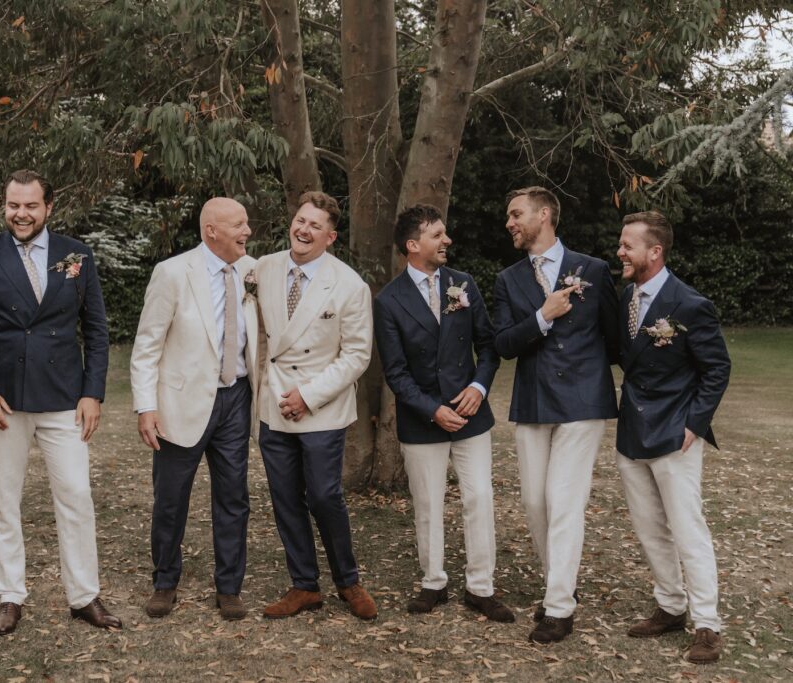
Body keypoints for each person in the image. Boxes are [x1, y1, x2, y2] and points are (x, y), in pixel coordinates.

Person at [0, 169, 120, 634]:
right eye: (13, 205)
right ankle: (10, 595)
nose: (21, 214)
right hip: (2, 400)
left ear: (49, 207)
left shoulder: (77, 254)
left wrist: (92, 392)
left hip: (63, 396)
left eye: (31, 205)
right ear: (4, 206)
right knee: (2, 500)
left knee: (76, 495)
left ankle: (84, 596)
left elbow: (96, 330)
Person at [492, 186, 619, 643]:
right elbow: (503, 344)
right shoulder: (508, 280)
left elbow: (614, 339)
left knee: (564, 500)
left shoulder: (594, 270)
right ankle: (559, 581)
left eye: (516, 214)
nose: (509, 223)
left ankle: (559, 607)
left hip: (583, 402)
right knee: (535, 502)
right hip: (533, 401)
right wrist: (542, 317)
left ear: (544, 215)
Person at [374, 204, 513, 622]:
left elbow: (488, 346)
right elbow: (395, 372)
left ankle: (481, 587)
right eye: (437, 234)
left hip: (471, 415)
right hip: (422, 419)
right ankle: (433, 581)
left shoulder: (463, 283)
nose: (446, 240)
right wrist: (432, 410)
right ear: (413, 245)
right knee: (428, 502)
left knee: (480, 497)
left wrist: (478, 387)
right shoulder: (388, 300)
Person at [130, 197, 258, 621]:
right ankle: (165, 582)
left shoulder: (253, 271)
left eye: (246, 223)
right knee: (171, 499)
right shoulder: (172, 273)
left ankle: (229, 587)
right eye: (238, 224)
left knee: (233, 497)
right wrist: (146, 407)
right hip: (180, 403)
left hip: (236, 398)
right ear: (211, 231)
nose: (247, 231)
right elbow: (147, 345)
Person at [254, 191, 376, 621]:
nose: (303, 230)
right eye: (301, 221)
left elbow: (357, 355)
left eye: (315, 226)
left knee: (324, 496)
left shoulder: (350, 285)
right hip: (274, 403)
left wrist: (308, 396)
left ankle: (348, 581)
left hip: (321, 405)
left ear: (330, 237)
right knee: (285, 497)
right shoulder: (263, 268)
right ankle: (304, 585)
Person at [615, 211, 730, 664]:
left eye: (628, 245)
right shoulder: (627, 297)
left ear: (655, 251)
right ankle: (670, 606)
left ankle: (707, 624)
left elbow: (716, 368)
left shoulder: (689, 304)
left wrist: (695, 424)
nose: (620, 252)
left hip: (675, 433)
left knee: (687, 528)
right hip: (632, 431)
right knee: (649, 529)